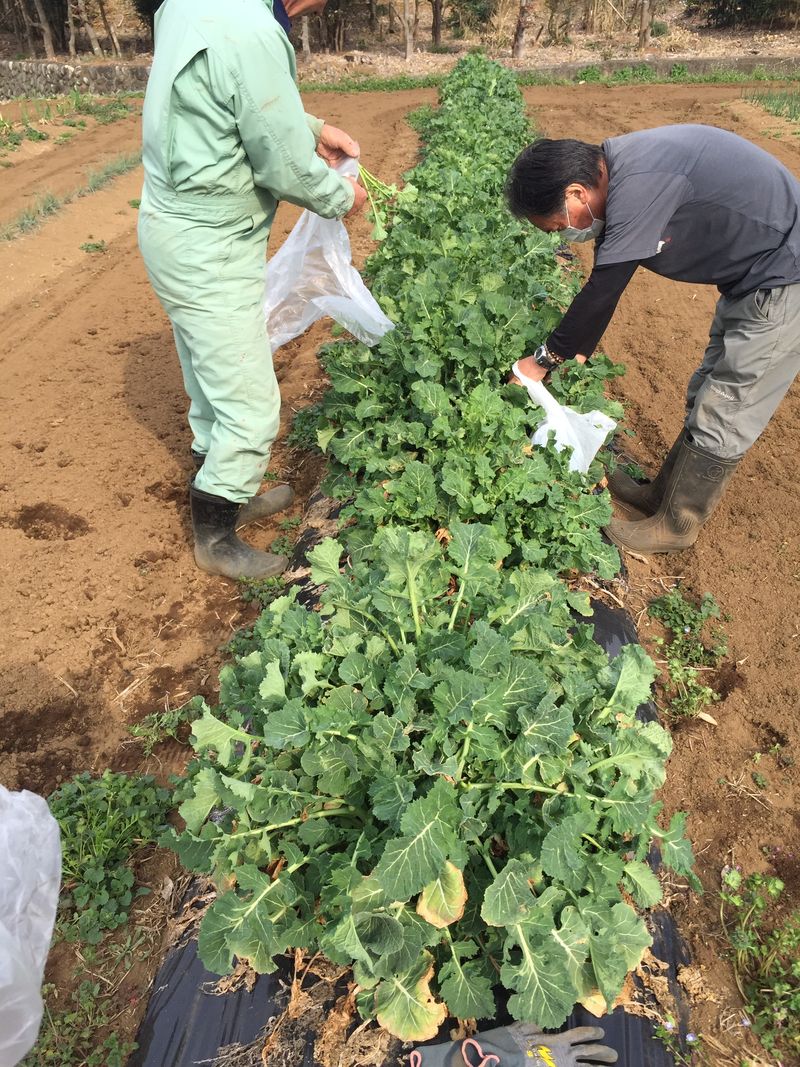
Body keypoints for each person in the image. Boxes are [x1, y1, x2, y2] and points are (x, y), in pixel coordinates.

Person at [138, 0, 367, 579]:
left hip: (181, 229)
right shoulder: (252, 30)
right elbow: (283, 161)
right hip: (207, 244)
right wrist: (344, 198)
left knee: (210, 376)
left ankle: (228, 492)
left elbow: (225, 98)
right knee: (249, 402)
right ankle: (215, 536)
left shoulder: (195, 5)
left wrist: (312, 128)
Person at [505, 125, 800, 554]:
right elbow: (605, 286)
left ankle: (677, 525)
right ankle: (660, 495)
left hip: (786, 276)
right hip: (750, 278)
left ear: (575, 194)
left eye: (555, 227)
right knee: (707, 387)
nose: (561, 236)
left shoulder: (640, 183)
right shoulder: (625, 170)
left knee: (729, 405)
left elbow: (604, 289)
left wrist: (542, 360)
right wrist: (574, 349)